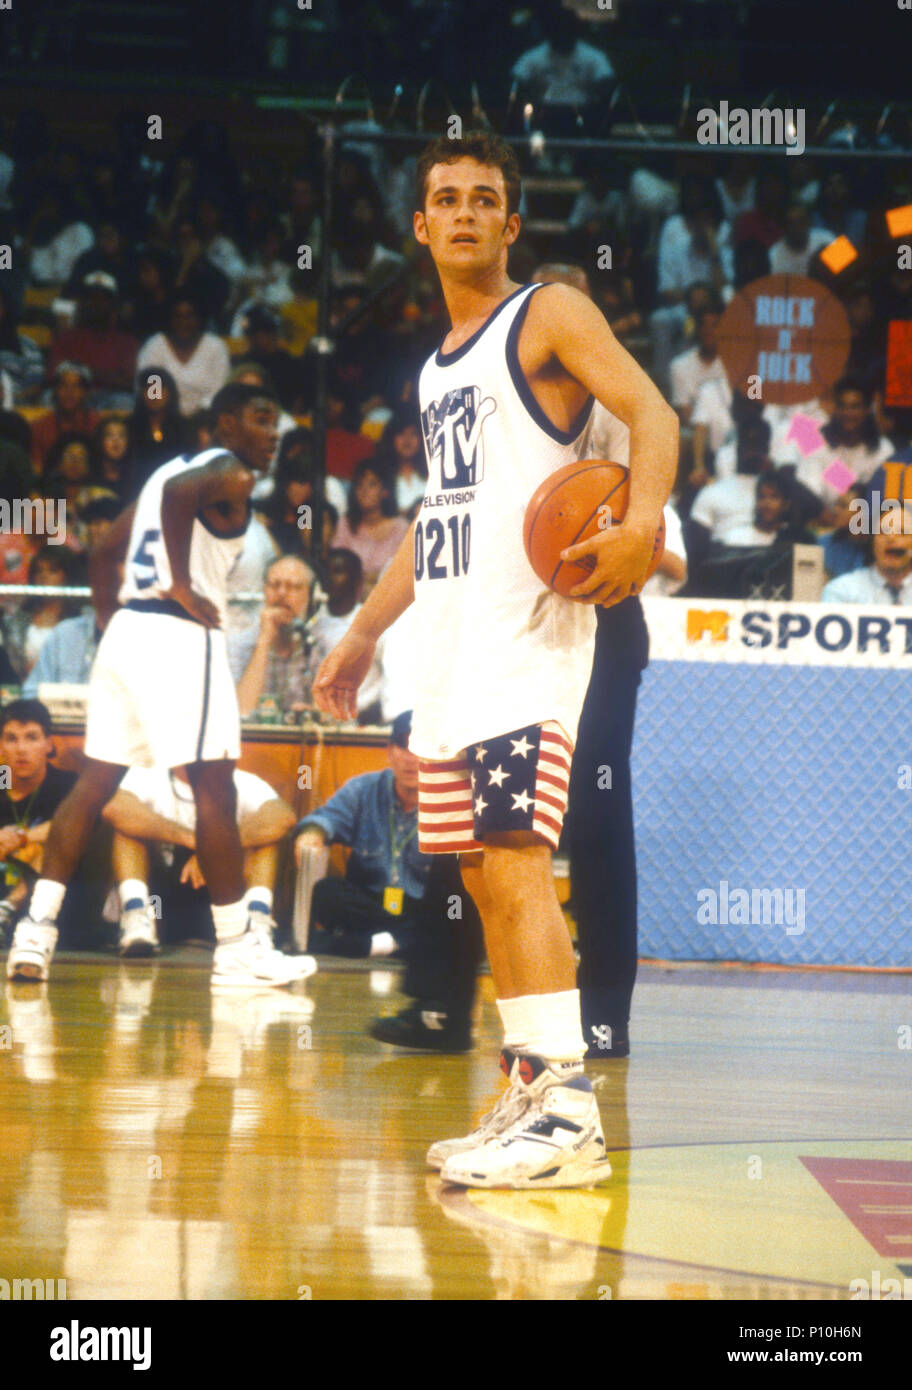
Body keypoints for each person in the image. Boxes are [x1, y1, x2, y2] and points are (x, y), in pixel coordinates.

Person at [313, 132, 677, 1189]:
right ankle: (531, 1086)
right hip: (456, 652)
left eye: (485, 199)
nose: (466, 212)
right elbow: (440, 517)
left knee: (516, 859)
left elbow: (650, 411)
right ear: (419, 227)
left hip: (532, 642)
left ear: (511, 224)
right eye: (446, 199)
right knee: (481, 867)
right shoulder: (436, 370)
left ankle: (568, 1111)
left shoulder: (549, 311)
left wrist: (643, 519)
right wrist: (364, 631)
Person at [6, 382, 312, 987]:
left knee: (93, 785)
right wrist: (178, 584)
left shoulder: (167, 471)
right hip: (177, 636)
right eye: (258, 418)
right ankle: (236, 950)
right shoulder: (228, 473)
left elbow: (103, 550)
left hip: (126, 634)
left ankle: (34, 934)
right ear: (224, 423)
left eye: (275, 419)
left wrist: (104, 624)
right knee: (215, 788)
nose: (272, 432)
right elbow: (179, 499)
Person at [101, 763, 311, 966]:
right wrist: (196, 843)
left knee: (268, 838)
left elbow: (283, 817)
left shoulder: (242, 781)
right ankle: (138, 918)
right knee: (127, 829)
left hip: (224, 903)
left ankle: (257, 922)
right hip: (159, 907)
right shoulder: (148, 775)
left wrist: (218, 850)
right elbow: (114, 809)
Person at [293, 710, 430, 958]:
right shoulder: (364, 788)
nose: (411, 758)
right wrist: (312, 834)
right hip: (370, 903)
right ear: (389, 751)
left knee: (457, 908)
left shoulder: (448, 801)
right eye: (403, 746)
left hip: (420, 907)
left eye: (419, 748)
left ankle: (368, 945)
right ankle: (399, 943)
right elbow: (327, 818)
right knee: (325, 892)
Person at [229, 553, 319, 721]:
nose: (282, 593)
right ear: (264, 590)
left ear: (310, 596)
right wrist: (264, 640)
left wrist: (313, 712)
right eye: (274, 585)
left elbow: (335, 716)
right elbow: (242, 712)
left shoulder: (319, 644)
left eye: (293, 586)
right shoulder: (238, 644)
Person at [135, 294, 230, 417]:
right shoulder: (156, 345)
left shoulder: (215, 347)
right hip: (163, 419)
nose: (183, 322)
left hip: (205, 419)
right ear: (169, 318)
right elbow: (152, 393)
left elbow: (218, 392)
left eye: (189, 316)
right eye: (177, 316)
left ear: (200, 318)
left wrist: (197, 418)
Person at [331, 459, 409, 595]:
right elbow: (338, 568)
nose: (364, 491)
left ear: (385, 491)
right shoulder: (345, 524)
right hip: (349, 599)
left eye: (372, 485)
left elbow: (404, 572)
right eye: (359, 485)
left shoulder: (401, 528)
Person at [821, 503, 912, 604]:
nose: (891, 538)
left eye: (902, 532)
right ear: (872, 541)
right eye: (883, 531)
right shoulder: (842, 591)